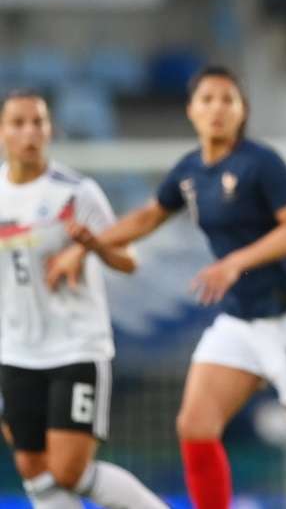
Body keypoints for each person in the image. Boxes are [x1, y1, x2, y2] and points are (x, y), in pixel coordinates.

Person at [47, 67, 286, 509]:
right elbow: (145, 219)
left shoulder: (259, 163)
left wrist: (235, 262)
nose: (217, 108)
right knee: (195, 425)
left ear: (242, 110)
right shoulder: (191, 170)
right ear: (191, 110)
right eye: (207, 99)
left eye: (227, 99)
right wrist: (85, 249)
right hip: (241, 320)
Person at [0, 89, 167, 509]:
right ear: (3, 132)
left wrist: (93, 245)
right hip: (16, 349)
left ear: (49, 130)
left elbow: (128, 261)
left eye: (37, 122)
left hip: (74, 344)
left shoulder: (75, 193)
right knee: (33, 467)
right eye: (18, 123)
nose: (29, 132)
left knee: (70, 471)